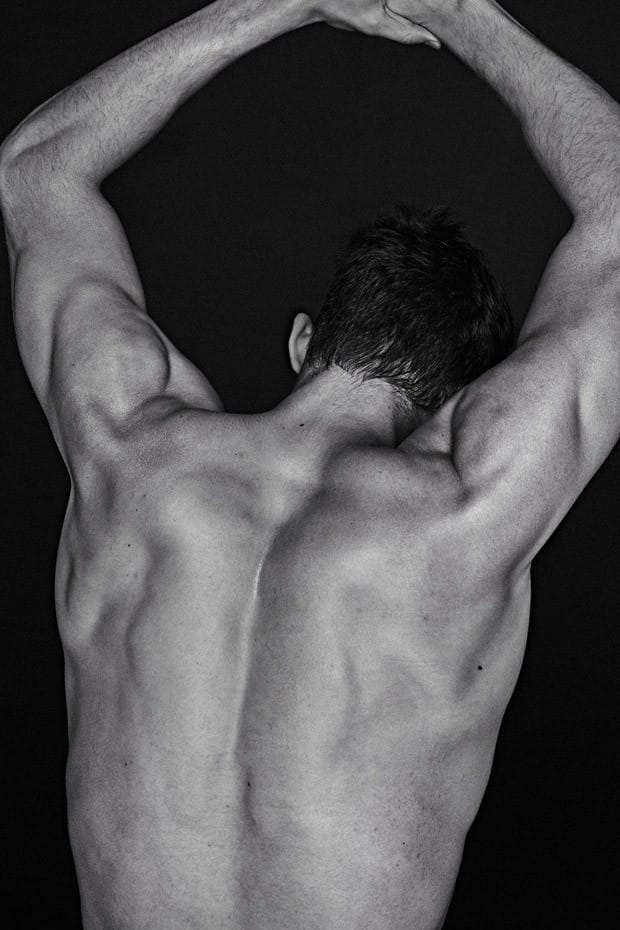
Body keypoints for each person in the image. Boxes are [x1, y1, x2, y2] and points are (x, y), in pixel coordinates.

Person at [1, 0, 618, 927]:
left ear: (303, 342)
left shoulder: (126, 449)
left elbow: (35, 171)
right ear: (458, 403)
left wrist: (280, 3)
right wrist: (461, 11)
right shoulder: (467, 508)